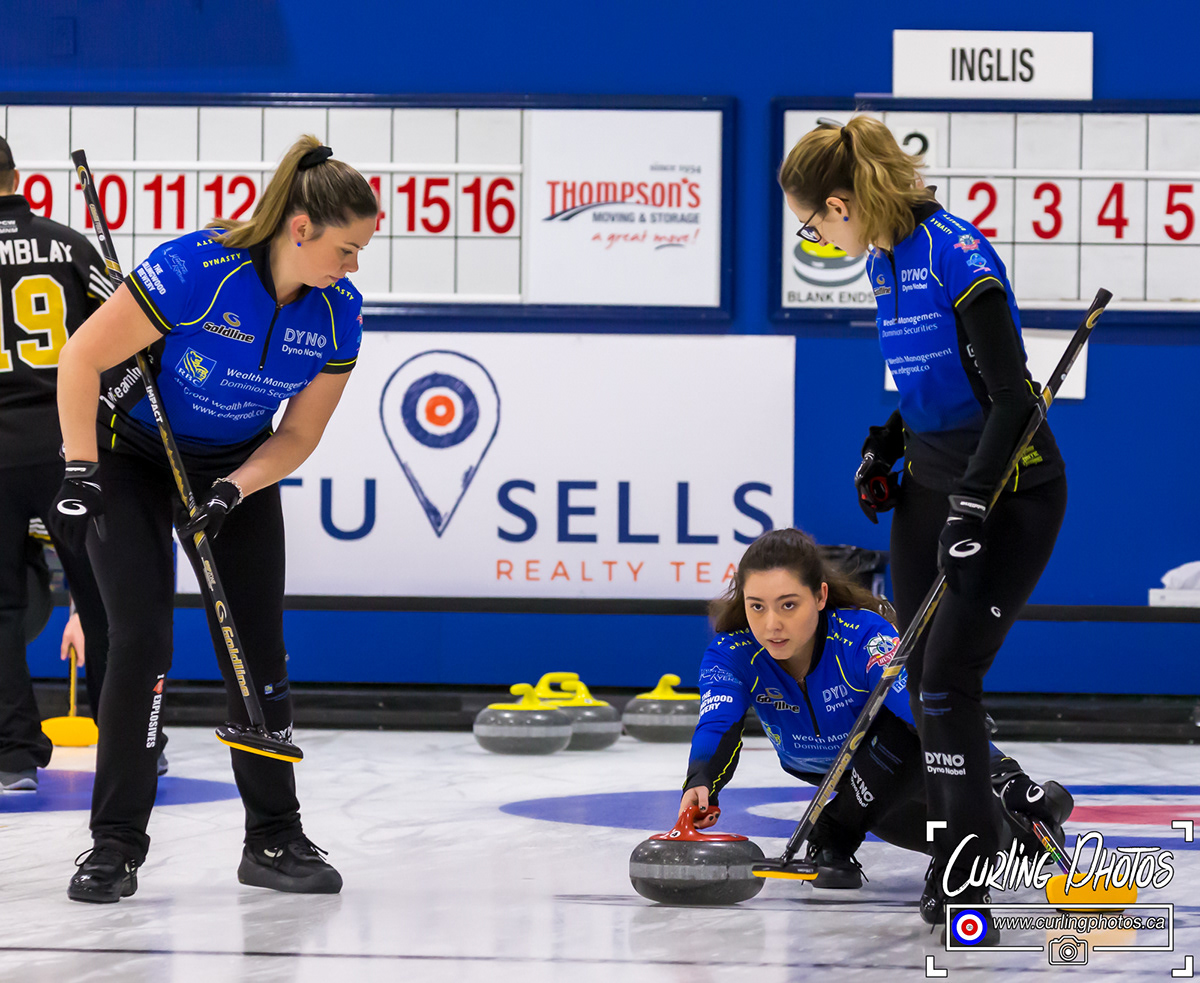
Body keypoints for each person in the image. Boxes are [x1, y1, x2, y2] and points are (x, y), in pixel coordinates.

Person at [50, 135, 378, 903]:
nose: (354, 265)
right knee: (143, 640)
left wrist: (234, 487)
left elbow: (297, 435)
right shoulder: (199, 269)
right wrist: (78, 466)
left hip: (233, 464)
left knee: (256, 644)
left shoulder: (338, 316)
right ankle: (114, 844)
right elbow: (80, 358)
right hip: (131, 453)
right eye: (347, 247)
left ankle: (273, 837)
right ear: (300, 228)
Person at [777, 117, 1070, 941]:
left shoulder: (956, 255)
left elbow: (1013, 399)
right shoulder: (880, 261)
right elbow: (935, 384)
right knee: (914, 682)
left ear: (840, 202)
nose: (816, 237)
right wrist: (889, 442)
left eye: (812, 223)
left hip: (1009, 491)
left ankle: (966, 869)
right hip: (933, 485)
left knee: (946, 682)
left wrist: (974, 503)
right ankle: (987, 835)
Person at [679, 528, 1072, 894]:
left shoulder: (862, 634)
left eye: (788, 605)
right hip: (853, 787)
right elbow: (718, 721)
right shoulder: (730, 654)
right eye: (757, 607)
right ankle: (1046, 810)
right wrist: (701, 781)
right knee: (995, 852)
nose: (772, 625)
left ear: (819, 597)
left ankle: (833, 832)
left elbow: (917, 706)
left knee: (915, 748)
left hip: (909, 759)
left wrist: (1001, 773)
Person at [0, 135, 113, 791]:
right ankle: (130, 740)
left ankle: (13, 755)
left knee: (1, 608)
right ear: (19, 177)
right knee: (100, 597)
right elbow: (131, 324)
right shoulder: (70, 245)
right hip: (69, 443)